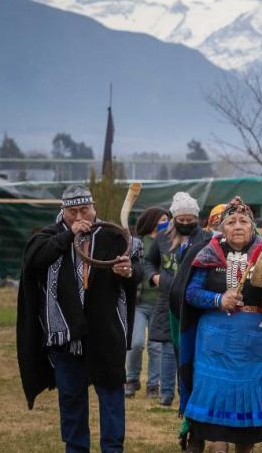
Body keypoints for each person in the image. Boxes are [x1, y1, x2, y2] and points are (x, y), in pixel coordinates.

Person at [18, 185, 141, 453]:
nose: (79, 216)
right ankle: (76, 449)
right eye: (72, 211)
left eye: (84, 209)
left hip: (106, 333)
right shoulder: (49, 238)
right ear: (63, 212)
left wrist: (128, 271)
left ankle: (112, 448)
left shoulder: (113, 236)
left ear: (94, 208)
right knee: (72, 400)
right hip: (66, 336)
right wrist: (68, 236)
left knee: (111, 397)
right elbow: (33, 260)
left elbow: (137, 269)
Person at [179, 197, 262, 453]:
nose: (238, 226)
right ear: (222, 228)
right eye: (231, 222)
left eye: (244, 221)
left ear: (252, 227)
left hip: (254, 348)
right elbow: (190, 294)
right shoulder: (208, 254)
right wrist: (218, 298)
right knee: (216, 426)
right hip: (214, 347)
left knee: (246, 432)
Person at [144, 192, 212, 407]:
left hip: (196, 302)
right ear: (174, 219)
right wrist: (154, 277)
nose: (185, 224)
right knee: (174, 347)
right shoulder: (162, 238)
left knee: (197, 348)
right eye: (180, 220)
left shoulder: (206, 238)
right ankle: (179, 391)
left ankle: (196, 392)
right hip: (169, 301)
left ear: (197, 219)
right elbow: (148, 262)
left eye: (189, 220)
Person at [126, 206, 171, 399]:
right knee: (136, 343)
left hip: (161, 302)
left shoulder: (171, 243)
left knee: (156, 345)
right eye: (161, 219)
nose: (165, 222)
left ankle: (153, 384)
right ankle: (132, 379)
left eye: (167, 219)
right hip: (139, 302)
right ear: (152, 221)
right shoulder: (138, 242)